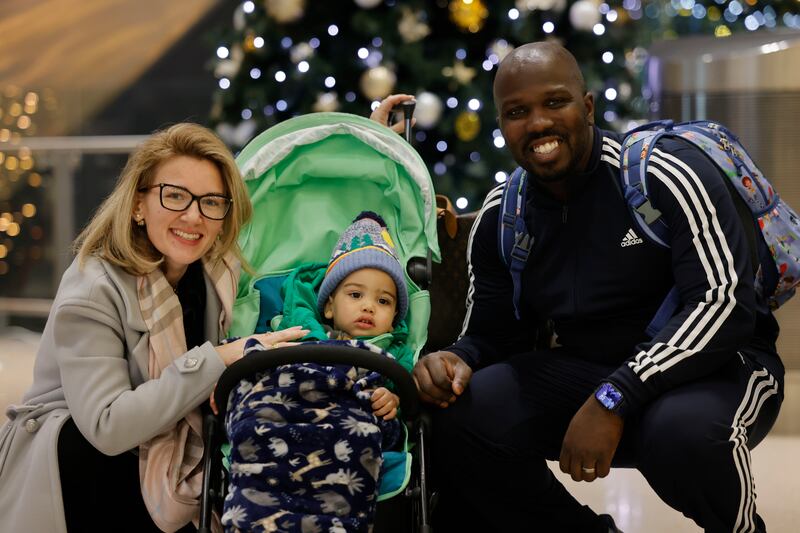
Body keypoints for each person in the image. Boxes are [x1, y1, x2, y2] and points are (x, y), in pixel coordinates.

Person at [382, 43, 784, 532]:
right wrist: (456, 360)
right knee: (461, 415)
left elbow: (724, 304)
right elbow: (493, 334)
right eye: (516, 112)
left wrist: (616, 396)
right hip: (590, 375)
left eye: (555, 102)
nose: (537, 124)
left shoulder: (662, 174)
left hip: (717, 369)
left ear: (587, 107)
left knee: (681, 434)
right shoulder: (503, 216)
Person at [0, 122, 308, 533]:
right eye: (175, 196)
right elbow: (108, 428)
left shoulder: (213, 272)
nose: (193, 215)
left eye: (211, 202)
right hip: (80, 464)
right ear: (138, 205)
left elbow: (298, 222)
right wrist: (215, 360)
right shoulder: (93, 288)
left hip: (159, 451)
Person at [220, 211, 411, 532]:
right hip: (278, 421)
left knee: (364, 434)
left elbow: (400, 417)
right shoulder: (290, 331)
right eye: (355, 295)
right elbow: (248, 358)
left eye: (383, 300)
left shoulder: (393, 356)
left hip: (346, 437)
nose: (368, 306)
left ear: (394, 318)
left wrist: (392, 401)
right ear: (329, 306)